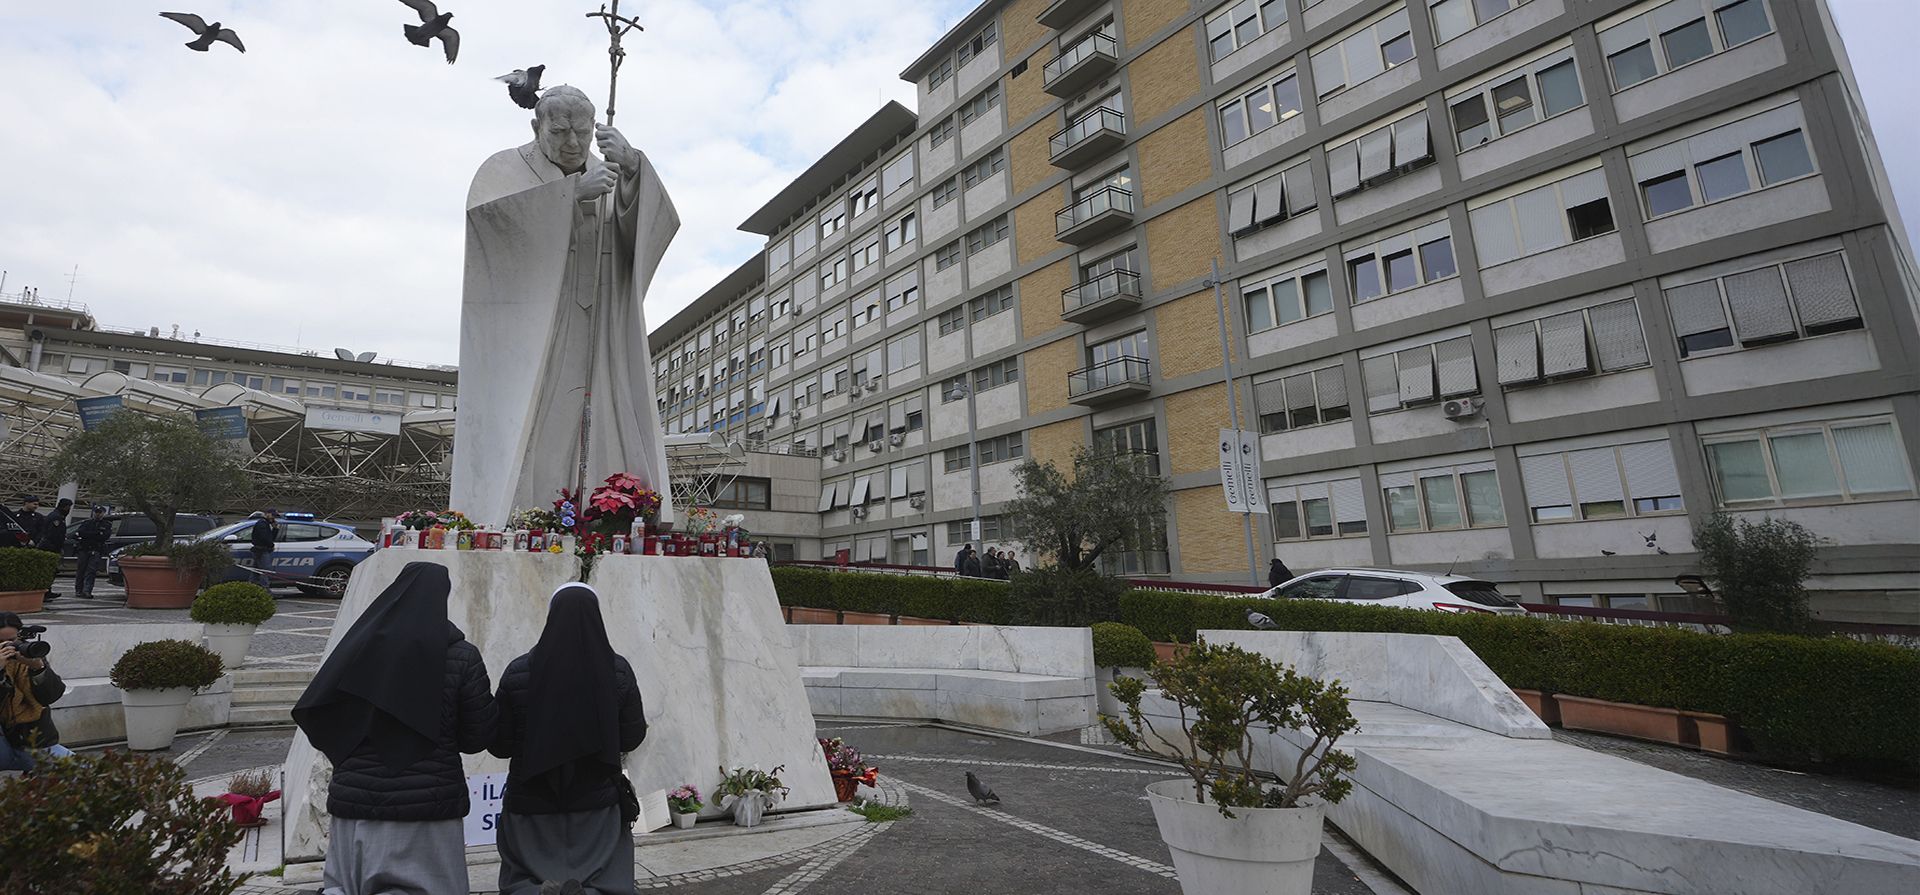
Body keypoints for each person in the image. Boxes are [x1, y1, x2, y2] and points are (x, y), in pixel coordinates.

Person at [292, 563, 498, 895]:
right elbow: (479, 736)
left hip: (353, 803)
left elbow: (324, 711)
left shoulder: (357, 649)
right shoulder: (461, 657)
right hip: (426, 809)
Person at [491, 584, 647, 895]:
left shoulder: (518, 670)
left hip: (530, 801)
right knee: (605, 879)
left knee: (523, 876)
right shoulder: (618, 671)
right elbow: (631, 736)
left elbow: (499, 744)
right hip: (597, 800)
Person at [0, 611, 71, 773]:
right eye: (0, 641)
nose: (7, 646)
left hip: (30, 740)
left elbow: (51, 696)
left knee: (85, 772)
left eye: (11, 641)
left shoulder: (26, 654)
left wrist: (38, 668)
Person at [70, 506, 112, 600]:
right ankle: (79, 590)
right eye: (96, 512)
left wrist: (90, 535)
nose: (98, 514)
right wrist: (96, 534)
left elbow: (104, 536)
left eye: (100, 512)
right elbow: (80, 532)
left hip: (96, 549)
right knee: (81, 570)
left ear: (103, 513)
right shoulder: (86, 523)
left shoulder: (106, 524)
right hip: (84, 549)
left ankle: (87, 590)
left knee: (91, 571)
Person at [37, 498, 72, 602]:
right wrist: (58, 548)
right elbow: (54, 535)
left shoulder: (58, 516)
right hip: (50, 547)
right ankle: (45, 592)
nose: (69, 509)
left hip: (51, 547)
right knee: (48, 571)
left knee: (51, 571)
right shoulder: (56, 517)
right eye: (68, 507)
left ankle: (48, 590)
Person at [249, 510, 278, 586]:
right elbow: (264, 538)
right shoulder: (262, 524)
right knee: (265, 571)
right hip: (261, 550)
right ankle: (265, 590)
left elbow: (271, 538)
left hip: (261, 550)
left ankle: (252, 587)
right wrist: (271, 545)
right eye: (273, 515)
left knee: (256, 571)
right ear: (267, 514)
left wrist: (275, 529)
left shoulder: (265, 524)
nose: (273, 518)